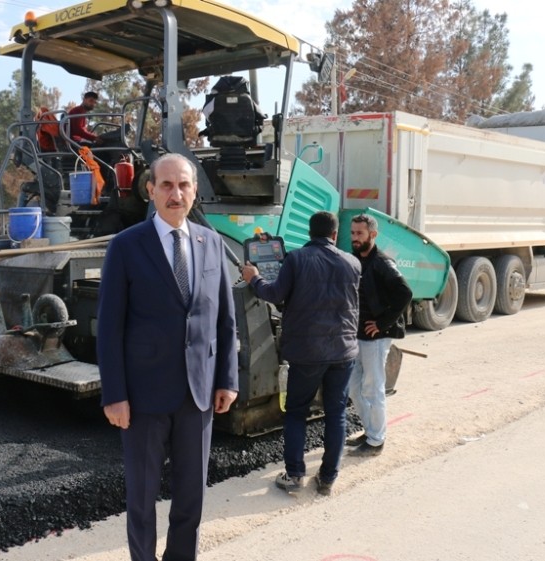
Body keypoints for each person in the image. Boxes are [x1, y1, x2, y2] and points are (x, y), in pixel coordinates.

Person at [96, 153, 239, 561]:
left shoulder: (212, 243)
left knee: (191, 496)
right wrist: (114, 394)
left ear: (194, 191)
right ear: (151, 191)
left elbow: (225, 319)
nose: (176, 194)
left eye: (184, 185)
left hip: (198, 395)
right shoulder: (126, 246)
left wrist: (227, 379)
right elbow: (109, 327)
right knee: (142, 498)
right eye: (167, 185)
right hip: (143, 397)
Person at [241, 211, 360, 496]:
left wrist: (255, 279)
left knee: (296, 412)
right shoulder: (353, 262)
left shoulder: (296, 259)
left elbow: (275, 294)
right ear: (335, 235)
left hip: (307, 353)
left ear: (310, 233)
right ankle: (328, 477)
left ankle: (295, 475)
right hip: (344, 352)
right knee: (336, 413)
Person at [345, 214, 413, 457]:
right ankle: (370, 431)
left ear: (373, 235)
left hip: (376, 337)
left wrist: (383, 324)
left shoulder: (382, 263)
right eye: (353, 233)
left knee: (373, 388)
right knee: (354, 387)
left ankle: (376, 441)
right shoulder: (355, 260)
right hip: (357, 335)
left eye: (360, 233)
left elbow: (405, 293)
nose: (355, 238)